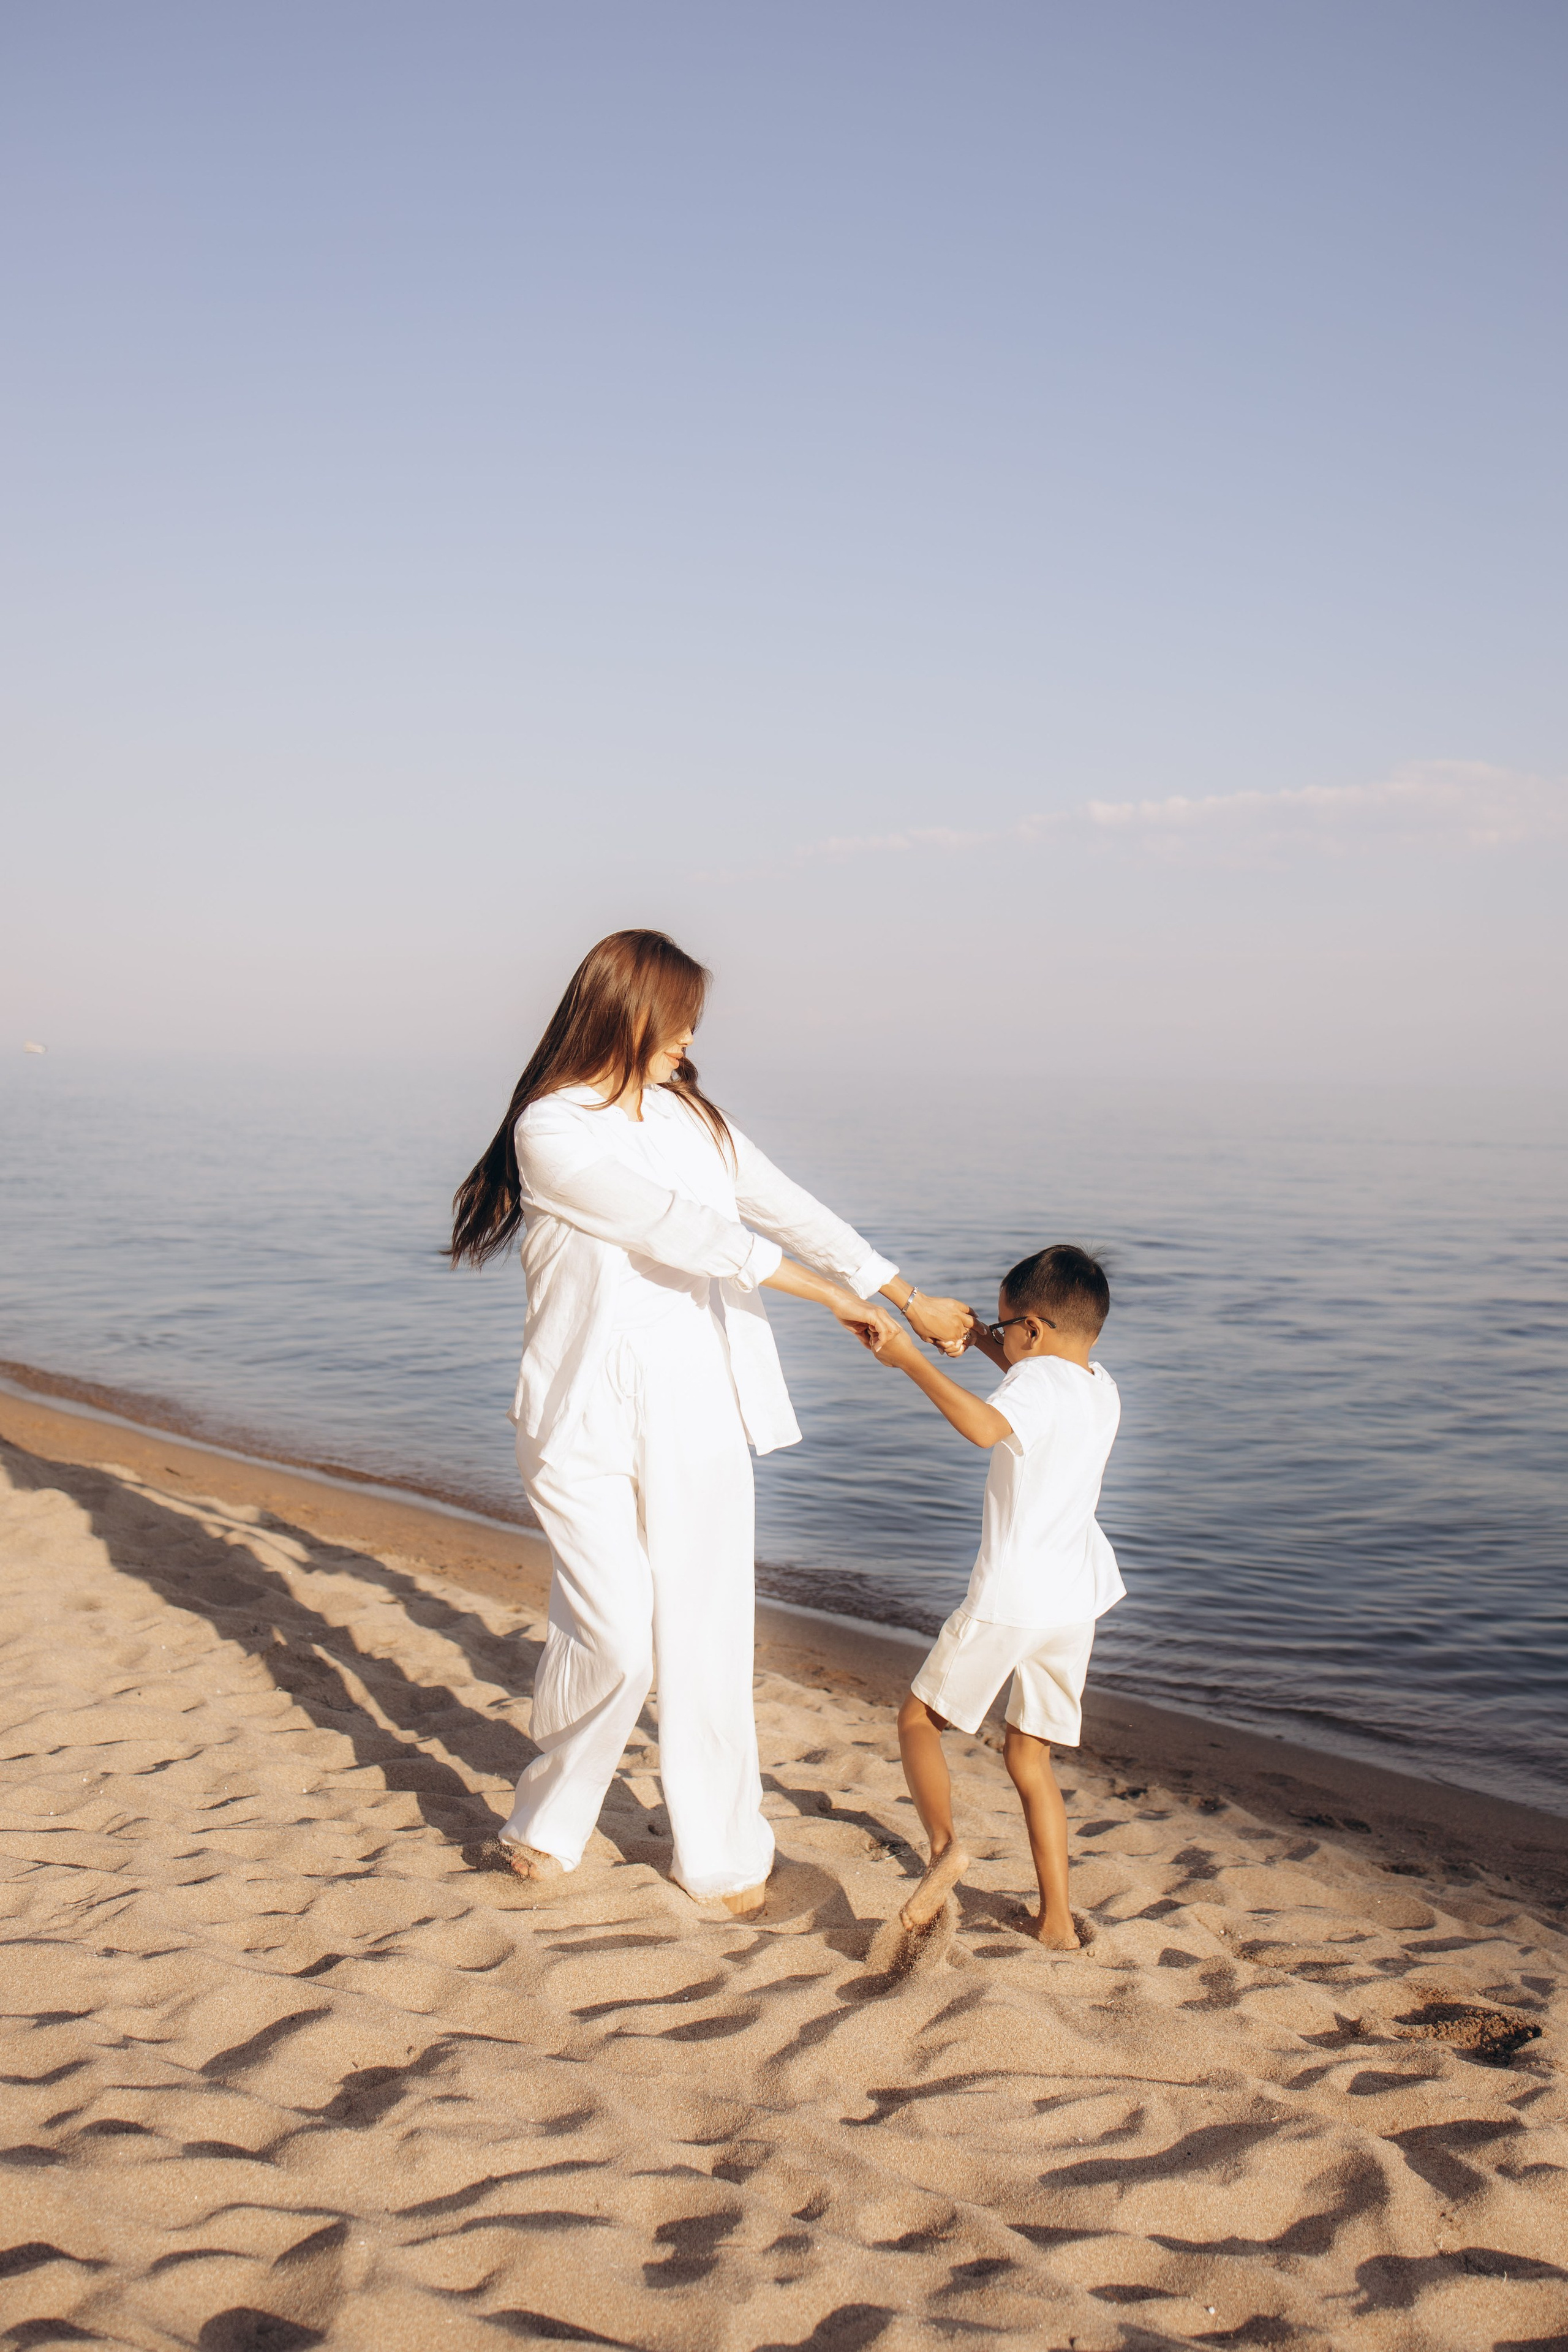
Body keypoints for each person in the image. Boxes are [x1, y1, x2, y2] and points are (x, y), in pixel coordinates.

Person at [450, 929, 974, 1915]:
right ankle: (550, 1818)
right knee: (610, 1633)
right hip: (577, 1414)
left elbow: (786, 1206)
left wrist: (902, 1291)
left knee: (705, 1632)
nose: (690, 1042)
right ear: (628, 1010)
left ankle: (723, 1854)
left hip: (697, 1406)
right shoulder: (551, 1129)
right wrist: (831, 1300)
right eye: (680, 1020)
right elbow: (676, 1228)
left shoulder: (696, 1119)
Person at [857, 1244, 1121, 1948]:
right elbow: (1035, 1384)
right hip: (1076, 1600)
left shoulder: (1034, 1387)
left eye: (1006, 1327)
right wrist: (976, 1339)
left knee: (918, 1720)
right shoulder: (1098, 1384)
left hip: (1012, 1595)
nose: (1000, 1337)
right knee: (1029, 1759)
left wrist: (910, 1361)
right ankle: (1057, 1920)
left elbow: (985, 1427)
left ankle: (944, 1850)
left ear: (1033, 1330)